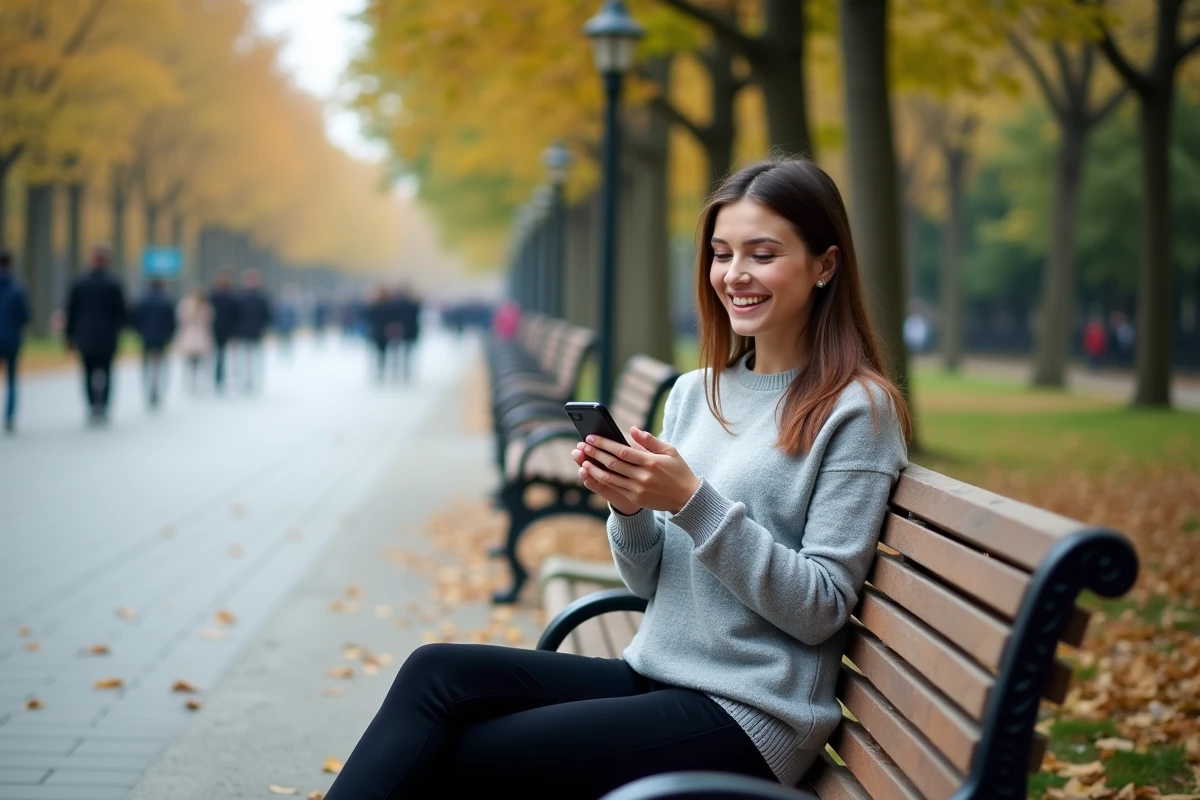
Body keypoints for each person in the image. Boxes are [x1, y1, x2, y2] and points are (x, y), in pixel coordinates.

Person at [323, 158, 912, 799]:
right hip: (661, 672)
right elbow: (648, 581)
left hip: (748, 714)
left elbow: (822, 609)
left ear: (825, 265)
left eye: (762, 254)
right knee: (436, 673)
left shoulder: (857, 410)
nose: (735, 274)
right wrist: (628, 508)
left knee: (468, 754)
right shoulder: (698, 392)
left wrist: (691, 502)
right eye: (721, 253)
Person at [65, 245, 127, 424]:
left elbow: (72, 311)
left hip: (85, 335)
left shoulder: (79, 282)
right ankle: (104, 405)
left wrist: (69, 336)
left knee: (87, 371)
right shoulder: (114, 283)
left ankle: (92, 404)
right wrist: (118, 330)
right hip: (107, 336)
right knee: (106, 371)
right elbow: (121, 312)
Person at [129, 278, 177, 409]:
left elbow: (135, 317)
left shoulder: (142, 299)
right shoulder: (166, 299)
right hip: (161, 337)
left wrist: (138, 332)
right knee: (160, 364)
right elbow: (171, 320)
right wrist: (170, 335)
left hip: (146, 336)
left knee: (147, 364)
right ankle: (157, 386)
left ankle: (149, 386)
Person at [0, 249, 31, 434]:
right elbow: (25, 316)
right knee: (11, 378)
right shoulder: (17, 289)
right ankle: (9, 417)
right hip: (11, 338)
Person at [234, 269, 272, 391]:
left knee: (256, 359)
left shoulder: (262, 296)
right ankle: (243, 380)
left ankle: (255, 381)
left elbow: (267, 315)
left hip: (256, 333)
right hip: (243, 333)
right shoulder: (240, 296)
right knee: (242, 360)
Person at [176, 287, 214, 393]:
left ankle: (196, 380)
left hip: (198, 335)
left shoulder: (204, 307)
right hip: (193, 336)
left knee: (198, 360)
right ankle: (193, 380)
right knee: (192, 360)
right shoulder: (187, 305)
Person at [209, 272, 239, 392]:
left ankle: (219, 375)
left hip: (222, 330)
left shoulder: (225, 297)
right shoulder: (220, 296)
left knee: (220, 354)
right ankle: (218, 375)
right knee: (220, 354)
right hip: (220, 330)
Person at [391, 285, 421, 382]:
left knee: (396, 351)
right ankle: (405, 371)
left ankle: (396, 370)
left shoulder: (394, 304)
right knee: (406, 352)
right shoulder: (412, 304)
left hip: (397, 330)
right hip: (409, 330)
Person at [365, 285, 394, 382]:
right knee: (381, 352)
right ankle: (380, 369)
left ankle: (380, 369)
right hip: (381, 331)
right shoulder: (383, 305)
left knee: (380, 352)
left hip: (380, 331)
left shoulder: (379, 305)